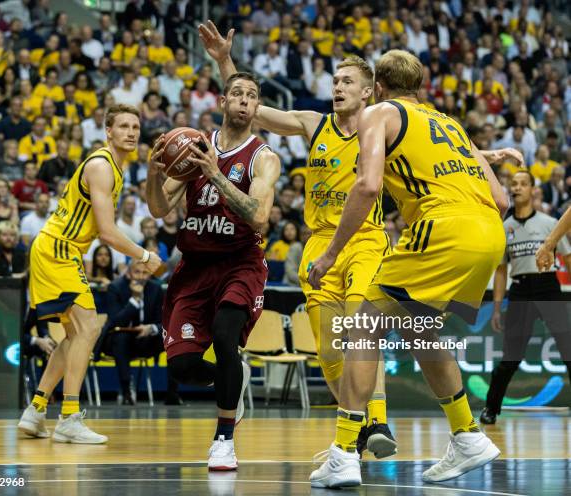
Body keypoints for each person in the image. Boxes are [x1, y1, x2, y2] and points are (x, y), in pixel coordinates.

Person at [200, 22, 523, 461]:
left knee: (364, 325)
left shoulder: (380, 127)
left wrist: (484, 156)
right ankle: (365, 430)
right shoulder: (313, 124)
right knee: (334, 348)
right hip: (321, 240)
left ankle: (373, 425)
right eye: (334, 80)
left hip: (366, 239)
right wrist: (224, 60)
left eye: (347, 81)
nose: (337, 87)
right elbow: (250, 111)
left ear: (371, 91)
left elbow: (423, 155)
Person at [307, 50, 509, 488]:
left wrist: (329, 254)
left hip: (442, 227)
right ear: (420, 87)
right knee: (420, 329)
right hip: (490, 232)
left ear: (377, 86)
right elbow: (503, 200)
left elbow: (369, 185)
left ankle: (343, 452)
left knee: (363, 326)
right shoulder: (451, 123)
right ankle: (467, 435)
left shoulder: (378, 113)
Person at [146, 71, 280, 470]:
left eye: (251, 96)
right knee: (183, 367)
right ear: (222, 102)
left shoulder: (264, 157)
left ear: (256, 108)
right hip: (195, 266)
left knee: (225, 336)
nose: (243, 100)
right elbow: (158, 208)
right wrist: (155, 173)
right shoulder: (193, 147)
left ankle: (224, 440)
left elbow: (259, 217)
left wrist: (216, 174)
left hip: (240, 262)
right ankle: (231, 379)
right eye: (236, 93)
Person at [17, 104, 162, 444]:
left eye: (136, 127)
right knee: (88, 329)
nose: (131, 132)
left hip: (62, 250)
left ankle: (36, 410)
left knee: (74, 334)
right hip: (58, 248)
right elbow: (109, 233)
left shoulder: (115, 168)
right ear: (108, 131)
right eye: (123, 126)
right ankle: (68, 416)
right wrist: (144, 255)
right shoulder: (101, 166)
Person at [481, 170, 571, 425]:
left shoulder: (550, 223)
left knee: (568, 350)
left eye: (523, 184)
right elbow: (501, 271)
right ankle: (490, 408)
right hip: (519, 290)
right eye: (513, 184)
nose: (517, 188)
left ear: (533, 190)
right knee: (511, 356)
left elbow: (568, 258)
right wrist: (497, 307)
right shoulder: (505, 227)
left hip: (548, 288)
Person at [93, 260, 165, 405]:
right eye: (137, 272)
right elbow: (115, 321)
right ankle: (126, 389)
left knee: (170, 338)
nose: (140, 277)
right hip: (116, 341)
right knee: (121, 338)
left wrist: (151, 328)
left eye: (145, 273)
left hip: (144, 339)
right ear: (129, 273)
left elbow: (163, 321)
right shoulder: (115, 287)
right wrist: (135, 300)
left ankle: (172, 394)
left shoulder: (156, 289)